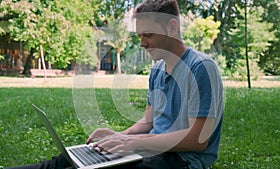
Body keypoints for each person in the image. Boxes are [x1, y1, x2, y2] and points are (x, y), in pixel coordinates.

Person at [8, 0, 223, 169]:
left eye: (148, 35)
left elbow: (198, 139)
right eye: (139, 36)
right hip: (149, 150)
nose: (142, 43)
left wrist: (135, 143)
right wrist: (120, 136)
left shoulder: (201, 68)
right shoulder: (157, 70)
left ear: (172, 27)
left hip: (181, 161)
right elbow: (148, 121)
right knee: (66, 161)